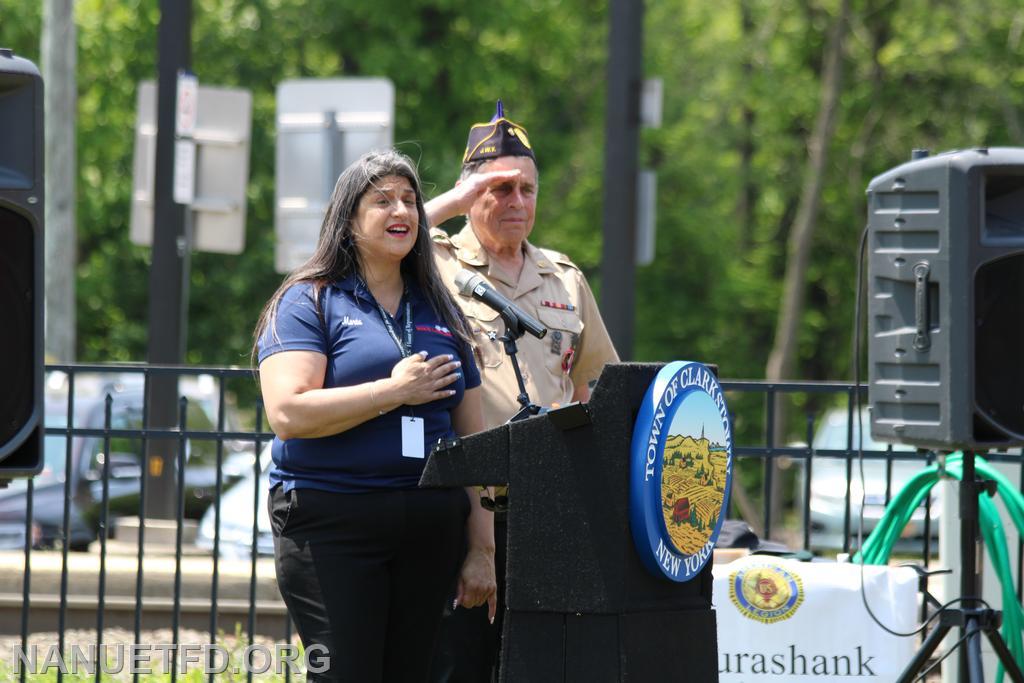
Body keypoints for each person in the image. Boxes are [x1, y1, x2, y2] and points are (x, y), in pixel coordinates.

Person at [254, 149, 497, 683]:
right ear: (348, 219)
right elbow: (288, 413)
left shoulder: (442, 310)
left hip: (429, 532)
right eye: (382, 200)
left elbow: (472, 442)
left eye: (410, 200)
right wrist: (392, 392)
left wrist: (482, 547)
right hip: (333, 524)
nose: (403, 211)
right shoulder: (307, 300)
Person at [426, 102, 620, 681]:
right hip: (464, 507)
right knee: (461, 663)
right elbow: (363, 244)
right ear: (469, 195)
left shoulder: (563, 278)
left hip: (550, 511)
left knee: (542, 665)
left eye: (526, 190)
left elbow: (595, 391)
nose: (516, 202)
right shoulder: (434, 265)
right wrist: (454, 200)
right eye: (500, 189)